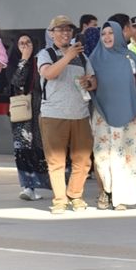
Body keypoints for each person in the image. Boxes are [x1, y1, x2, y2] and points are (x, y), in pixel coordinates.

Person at [39, 15, 97, 214]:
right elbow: (49, 74)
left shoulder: (82, 56)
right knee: (56, 160)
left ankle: (75, 194)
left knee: (83, 160)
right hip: (53, 115)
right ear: (52, 33)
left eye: (68, 30)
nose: (65, 33)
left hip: (80, 114)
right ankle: (59, 200)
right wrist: (68, 56)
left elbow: (93, 81)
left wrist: (88, 83)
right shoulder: (46, 54)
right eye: (60, 29)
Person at [90, 21, 136, 210]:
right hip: (102, 112)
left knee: (125, 156)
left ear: (118, 34)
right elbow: (88, 83)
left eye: (111, 33)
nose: (107, 37)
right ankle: (106, 191)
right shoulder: (94, 59)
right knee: (102, 156)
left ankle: (121, 197)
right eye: (103, 34)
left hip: (128, 112)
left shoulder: (130, 58)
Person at [6, 32, 51, 201]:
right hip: (21, 113)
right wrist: (24, 59)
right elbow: (16, 82)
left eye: (28, 42)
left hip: (41, 110)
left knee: (41, 148)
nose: (25, 45)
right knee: (23, 149)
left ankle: (46, 184)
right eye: (21, 43)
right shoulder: (13, 62)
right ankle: (27, 186)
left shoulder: (41, 61)